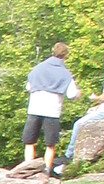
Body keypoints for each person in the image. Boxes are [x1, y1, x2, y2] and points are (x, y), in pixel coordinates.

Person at [21, 41, 81, 176]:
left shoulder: (38, 68)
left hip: (34, 108)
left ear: (53, 52)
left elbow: (28, 87)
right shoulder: (65, 73)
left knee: (29, 141)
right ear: (65, 56)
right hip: (52, 111)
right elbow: (71, 94)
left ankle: (27, 169)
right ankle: (46, 171)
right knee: (50, 144)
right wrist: (78, 93)